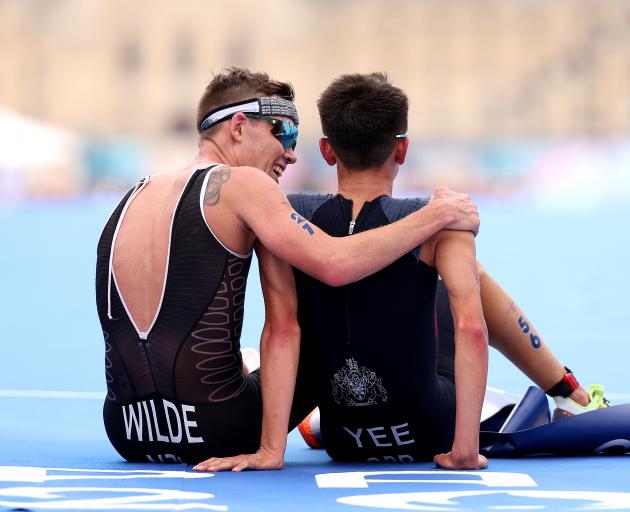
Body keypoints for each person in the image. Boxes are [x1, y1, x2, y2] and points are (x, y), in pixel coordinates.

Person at [194, 72, 607, 472]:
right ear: (403, 150)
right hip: (431, 431)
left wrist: (271, 448)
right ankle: (569, 392)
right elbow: (472, 330)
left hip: (345, 438)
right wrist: (464, 449)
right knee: (459, 281)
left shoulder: (290, 213)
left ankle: (319, 415)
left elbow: (281, 328)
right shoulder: (440, 217)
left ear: (326, 150)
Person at [95, 68, 481, 467]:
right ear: (240, 127)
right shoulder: (245, 184)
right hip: (217, 428)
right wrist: (434, 216)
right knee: (326, 326)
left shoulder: (135, 192)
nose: (291, 152)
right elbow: (332, 265)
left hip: (126, 429)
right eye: (284, 133)